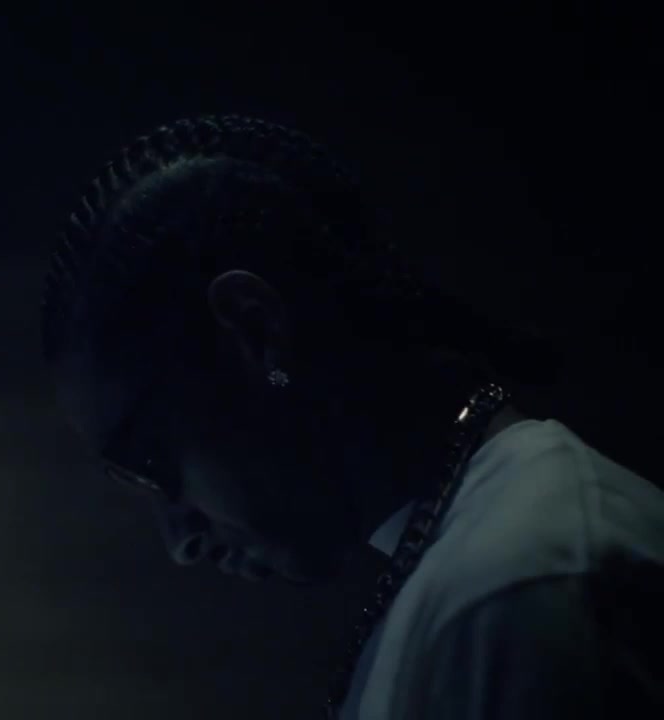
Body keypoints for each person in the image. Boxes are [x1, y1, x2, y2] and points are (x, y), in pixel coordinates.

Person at [40, 115, 664, 719]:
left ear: (256, 333)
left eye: (151, 460)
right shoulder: (473, 573)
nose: (180, 541)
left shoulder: (522, 590)